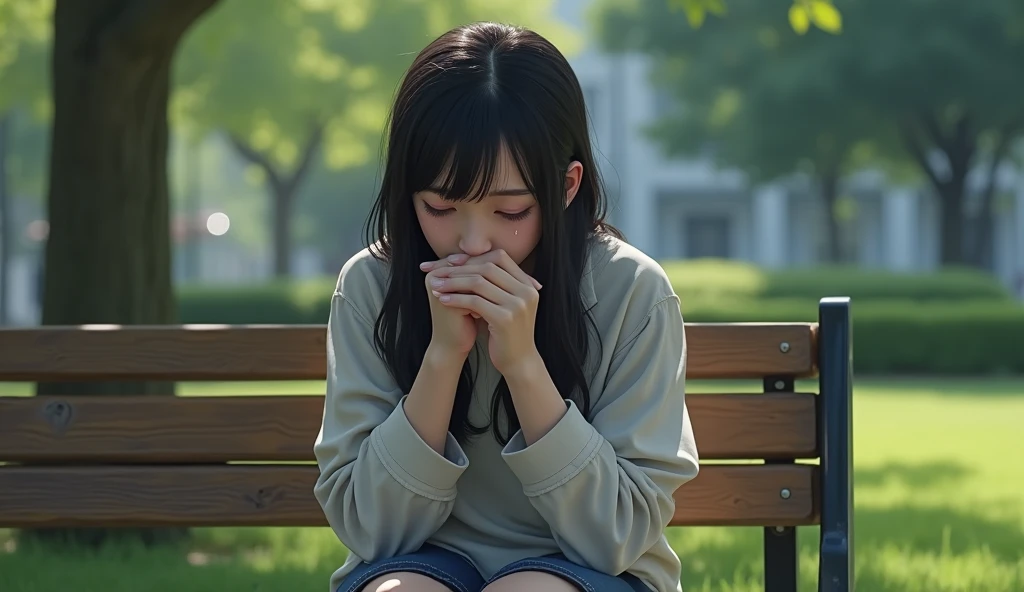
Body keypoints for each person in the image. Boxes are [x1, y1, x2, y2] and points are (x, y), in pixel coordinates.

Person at [313, 21, 699, 592]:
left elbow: (614, 536)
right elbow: (373, 533)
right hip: (420, 561)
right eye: (441, 207)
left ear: (566, 187)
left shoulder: (631, 291)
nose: (472, 245)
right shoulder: (373, 285)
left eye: (510, 212)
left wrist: (522, 363)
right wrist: (443, 356)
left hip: (589, 572)